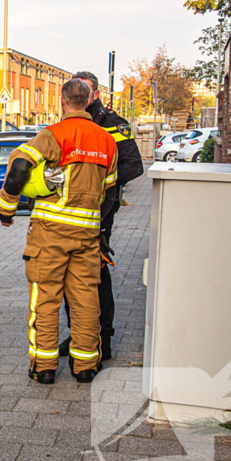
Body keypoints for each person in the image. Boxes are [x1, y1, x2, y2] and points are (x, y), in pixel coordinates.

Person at [0, 78, 118, 384]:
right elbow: (111, 192)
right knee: (86, 300)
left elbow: (20, 167)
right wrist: (99, 230)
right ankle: (86, 366)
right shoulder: (106, 141)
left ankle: (44, 367)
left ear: (62, 102)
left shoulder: (53, 134)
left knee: (45, 299)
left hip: (50, 232)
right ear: (89, 101)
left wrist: (6, 209)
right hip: (87, 234)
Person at [59, 71, 144, 361]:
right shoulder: (70, 123)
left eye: (86, 90)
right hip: (69, 211)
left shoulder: (112, 124)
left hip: (99, 210)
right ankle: (78, 334)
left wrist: (100, 183)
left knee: (96, 275)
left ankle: (103, 338)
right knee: (71, 275)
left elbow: (134, 166)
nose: (80, 95)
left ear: (95, 95)